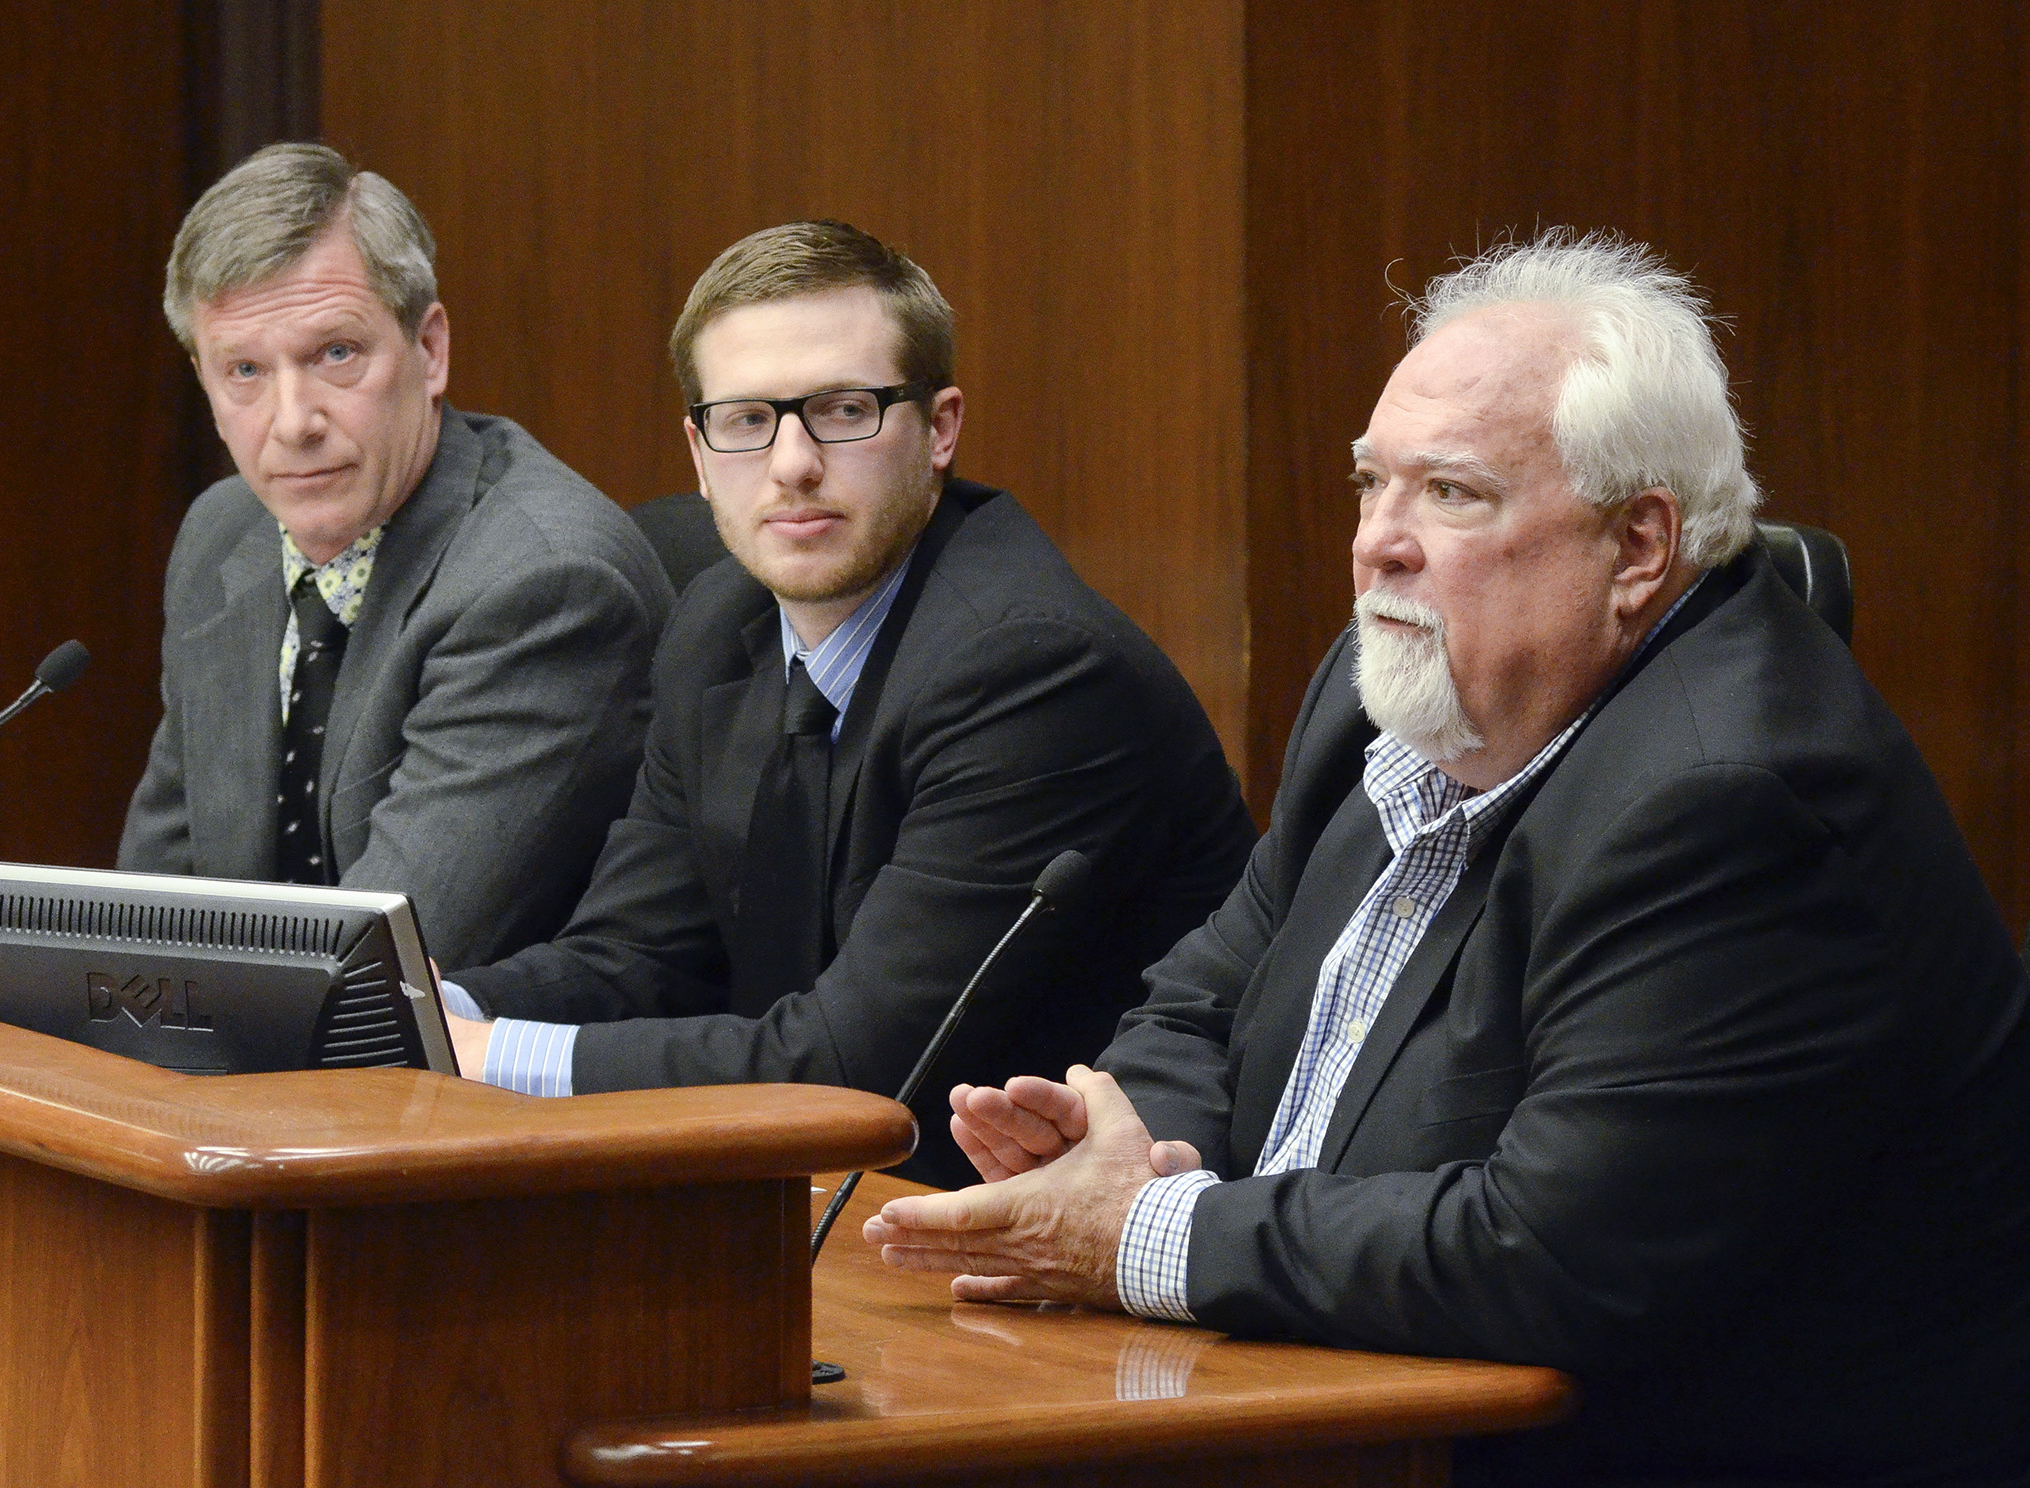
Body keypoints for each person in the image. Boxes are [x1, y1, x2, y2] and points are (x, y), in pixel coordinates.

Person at [865, 233, 2030, 1484]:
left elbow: (1549, 1255)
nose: (1379, 544)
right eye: (1373, 485)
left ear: (1639, 547)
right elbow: (1209, 996)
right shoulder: (1395, 689)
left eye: (1452, 494)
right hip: (1333, 1401)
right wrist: (1132, 1145)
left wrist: (1136, 1233)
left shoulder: (1736, 802)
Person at [439, 221, 1257, 1187]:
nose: (791, 464)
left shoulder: (1030, 667)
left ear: (940, 427)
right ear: (699, 454)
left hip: (1043, 1231)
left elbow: (855, 1068)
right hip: (838, 1213)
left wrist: (482, 1060)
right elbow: (637, 956)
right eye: (746, 420)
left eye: (841, 409)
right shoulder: (719, 623)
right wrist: (431, 1007)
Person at [119, 144, 673, 969]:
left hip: (474, 1080)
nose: (293, 419)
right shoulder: (224, 532)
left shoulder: (546, 582)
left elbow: (385, 963)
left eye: (335, 354)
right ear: (203, 379)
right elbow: (151, 908)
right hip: (266, 1062)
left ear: (429, 349)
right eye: (245, 370)